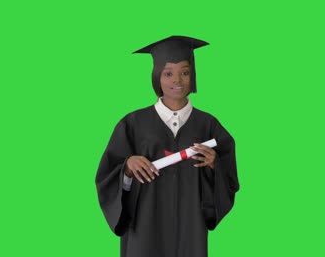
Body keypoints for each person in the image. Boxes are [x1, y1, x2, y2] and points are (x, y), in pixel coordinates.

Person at [95, 35, 239, 257]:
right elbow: (106, 177)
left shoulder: (208, 124)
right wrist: (127, 168)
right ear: (157, 77)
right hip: (144, 228)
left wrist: (214, 165)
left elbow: (228, 181)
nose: (177, 80)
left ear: (193, 76)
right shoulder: (132, 123)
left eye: (185, 72)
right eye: (168, 73)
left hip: (190, 230)